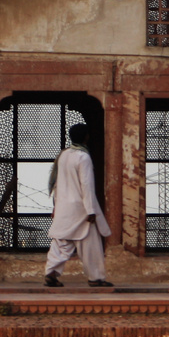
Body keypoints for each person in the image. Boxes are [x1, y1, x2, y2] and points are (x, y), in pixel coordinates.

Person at [44, 123, 113, 287]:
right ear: (86, 137)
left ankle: (50, 273)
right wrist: (91, 211)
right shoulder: (83, 157)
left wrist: (56, 206)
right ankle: (96, 278)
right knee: (90, 243)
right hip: (80, 208)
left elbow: (57, 183)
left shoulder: (64, 155)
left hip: (63, 207)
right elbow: (87, 185)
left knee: (61, 242)